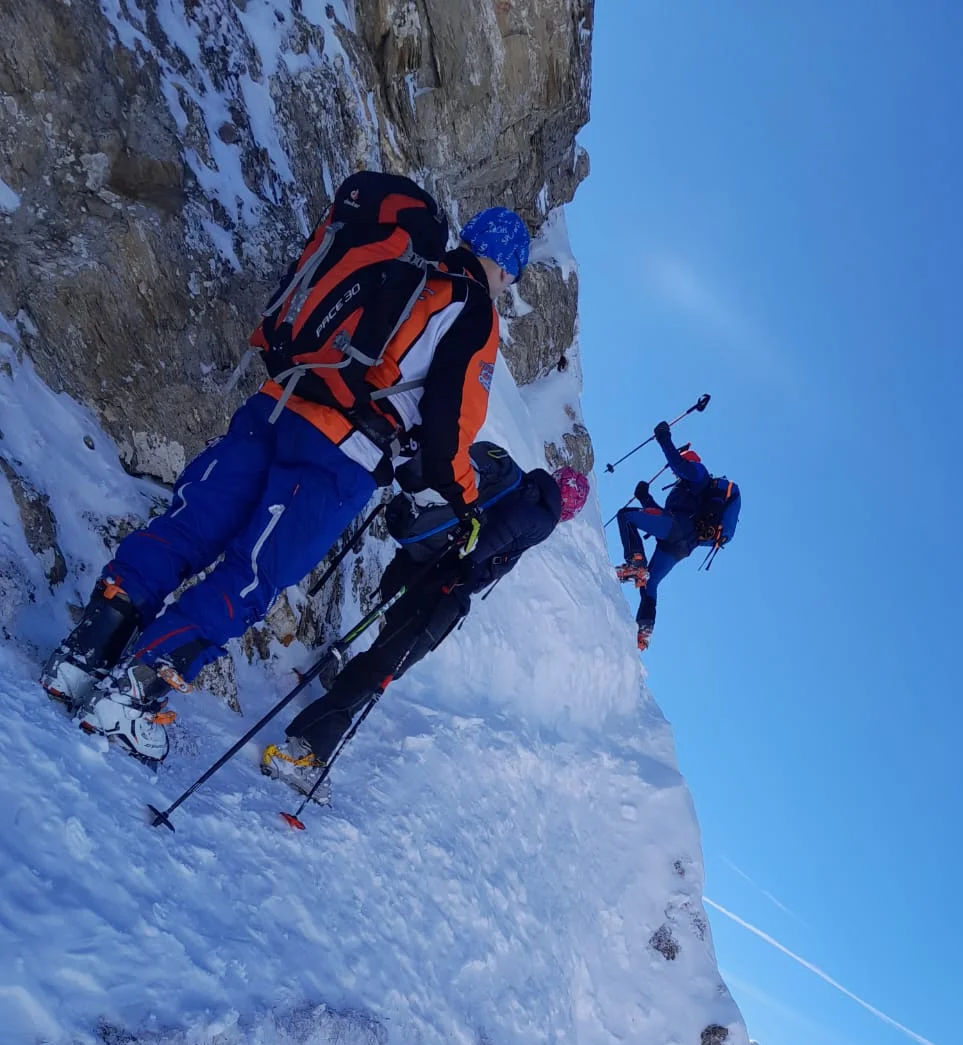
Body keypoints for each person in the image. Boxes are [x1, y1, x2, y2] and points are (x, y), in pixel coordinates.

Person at [40, 173, 531, 763]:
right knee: (253, 574)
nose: (506, 288)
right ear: (504, 268)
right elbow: (451, 423)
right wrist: (464, 495)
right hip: (337, 454)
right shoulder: (473, 308)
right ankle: (130, 697)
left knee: (188, 529)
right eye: (512, 278)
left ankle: (81, 659)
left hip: (275, 406)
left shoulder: (408, 267)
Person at [260, 451, 589, 794]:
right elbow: (499, 534)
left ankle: (330, 699)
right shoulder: (542, 516)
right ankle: (304, 751)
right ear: (568, 507)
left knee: (380, 659)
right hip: (440, 592)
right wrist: (468, 567)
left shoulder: (518, 483)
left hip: (414, 566)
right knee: (383, 670)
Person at [614, 421, 740, 650]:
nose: (674, 472)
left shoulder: (699, 474)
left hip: (677, 530)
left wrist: (664, 439)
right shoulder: (688, 491)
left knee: (626, 516)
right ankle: (644, 632)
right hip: (681, 544)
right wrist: (645, 497)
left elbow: (680, 466)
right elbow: (662, 516)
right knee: (649, 583)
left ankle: (634, 563)